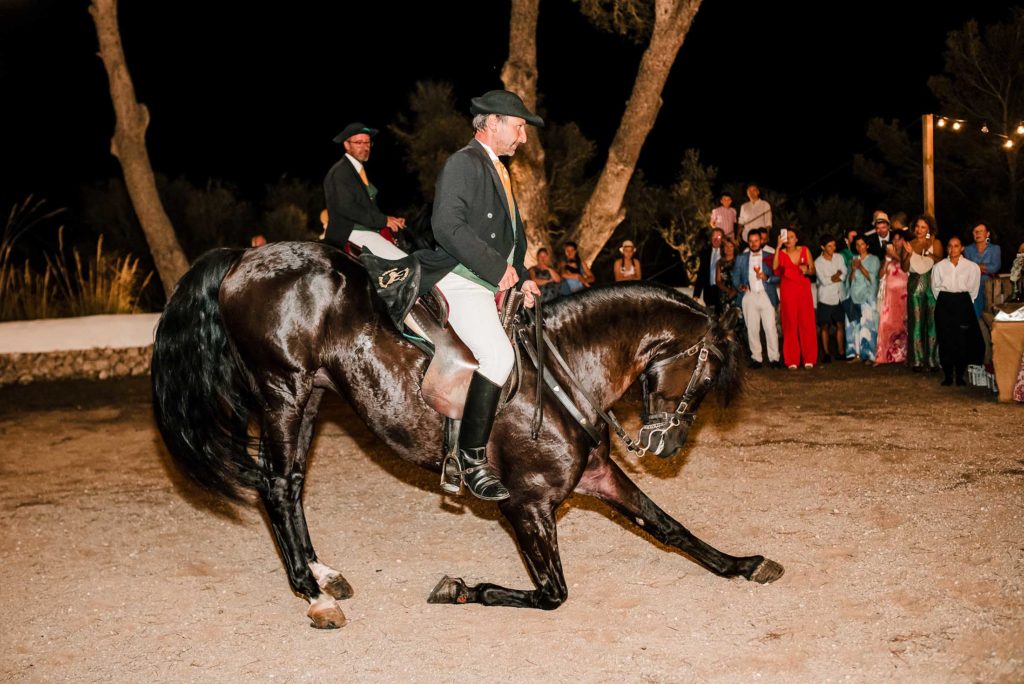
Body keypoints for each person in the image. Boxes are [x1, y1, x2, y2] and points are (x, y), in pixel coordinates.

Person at [412, 89, 543, 501]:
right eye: (519, 127)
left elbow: (512, 242)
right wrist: (494, 268)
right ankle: (471, 459)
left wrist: (521, 276)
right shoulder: (463, 163)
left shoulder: (499, 170)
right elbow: (447, 227)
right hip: (460, 277)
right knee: (499, 356)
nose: (523, 137)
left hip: (489, 278)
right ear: (493, 122)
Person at [323, 122, 407, 258]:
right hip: (351, 232)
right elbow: (347, 207)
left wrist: (389, 219)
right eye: (359, 143)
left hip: (367, 230)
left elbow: (366, 206)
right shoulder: (340, 172)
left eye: (367, 143)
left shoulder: (357, 170)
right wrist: (383, 221)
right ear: (346, 144)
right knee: (403, 262)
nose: (365, 147)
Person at [932, 236, 984, 386]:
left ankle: (960, 375)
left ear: (961, 248)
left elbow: (974, 288)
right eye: (950, 246)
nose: (952, 249)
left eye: (956, 246)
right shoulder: (939, 266)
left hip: (962, 302)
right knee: (945, 337)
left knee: (961, 338)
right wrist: (945, 300)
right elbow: (935, 287)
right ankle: (948, 375)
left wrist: (964, 301)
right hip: (945, 302)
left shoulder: (971, 266)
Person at [732, 230, 781, 369]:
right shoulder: (741, 257)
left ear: (762, 241)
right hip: (749, 295)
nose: (754, 243)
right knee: (752, 328)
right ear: (748, 242)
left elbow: (778, 276)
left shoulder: (770, 256)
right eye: (751, 241)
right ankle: (756, 358)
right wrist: (739, 286)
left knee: (770, 328)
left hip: (767, 295)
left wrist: (768, 278)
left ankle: (774, 358)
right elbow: (735, 277)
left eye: (756, 240)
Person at [901, 214, 943, 371]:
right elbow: (904, 267)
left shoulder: (936, 242)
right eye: (917, 226)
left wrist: (929, 252)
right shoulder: (908, 244)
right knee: (916, 323)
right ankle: (917, 360)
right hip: (915, 286)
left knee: (933, 323)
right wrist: (910, 254)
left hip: (932, 285)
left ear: (929, 229)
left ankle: (933, 360)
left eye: (923, 227)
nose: (919, 230)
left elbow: (941, 262)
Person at [773, 227, 817, 368]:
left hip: (803, 288)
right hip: (788, 289)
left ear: (796, 239)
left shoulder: (804, 250)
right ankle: (792, 359)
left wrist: (807, 270)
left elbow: (813, 270)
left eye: (792, 237)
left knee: (806, 322)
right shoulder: (781, 253)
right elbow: (775, 268)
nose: (789, 239)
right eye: (787, 237)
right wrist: (778, 247)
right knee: (790, 323)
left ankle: (809, 358)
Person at [874, 231, 909, 364]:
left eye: (899, 240)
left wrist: (895, 256)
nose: (896, 242)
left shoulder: (907, 255)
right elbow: (880, 274)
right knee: (885, 324)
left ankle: (903, 355)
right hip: (890, 296)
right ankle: (884, 355)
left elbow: (907, 269)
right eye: (894, 240)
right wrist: (887, 260)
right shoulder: (888, 256)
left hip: (903, 295)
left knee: (903, 325)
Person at [845, 236, 881, 362]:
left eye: (862, 244)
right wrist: (854, 270)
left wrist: (860, 267)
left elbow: (874, 278)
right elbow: (849, 281)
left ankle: (870, 355)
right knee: (854, 326)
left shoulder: (874, 259)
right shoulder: (853, 259)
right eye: (857, 245)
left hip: (867, 296)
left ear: (867, 245)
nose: (860, 247)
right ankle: (856, 354)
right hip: (854, 296)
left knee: (868, 325)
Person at [814, 236, 847, 363]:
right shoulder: (818, 262)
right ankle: (826, 354)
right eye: (829, 246)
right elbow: (824, 281)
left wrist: (836, 276)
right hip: (825, 298)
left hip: (839, 296)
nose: (833, 248)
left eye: (834, 245)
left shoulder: (839, 257)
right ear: (823, 247)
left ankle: (841, 352)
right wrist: (837, 275)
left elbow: (844, 274)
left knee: (840, 324)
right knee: (824, 326)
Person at [963, 223, 1002, 317]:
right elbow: (968, 268)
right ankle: (977, 319)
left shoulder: (995, 248)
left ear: (987, 234)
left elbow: (995, 267)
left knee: (981, 281)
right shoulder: (968, 249)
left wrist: (976, 266)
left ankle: (980, 317)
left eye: (981, 231)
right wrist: (984, 267)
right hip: (972, 280)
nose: (978, 233)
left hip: (989, 281)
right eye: (975, 231)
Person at [693, 229, 724, 312]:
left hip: (723, 292)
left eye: (719, 236)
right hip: (709, 292)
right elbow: (701, 274)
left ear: (723, 239)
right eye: (714, 236)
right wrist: (696, 294)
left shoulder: (726, 252)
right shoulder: (705, 253)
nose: (716, 239)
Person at [715, 237, 739, 312]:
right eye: (726, 246)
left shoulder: (739, 260)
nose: (728, 249)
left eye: (731, 246)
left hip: (738, 292)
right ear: (723, 248)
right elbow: (718, 281)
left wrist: (735, 290)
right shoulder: (719, 262)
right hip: (724, 293)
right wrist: (728, 290)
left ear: (734, 248)